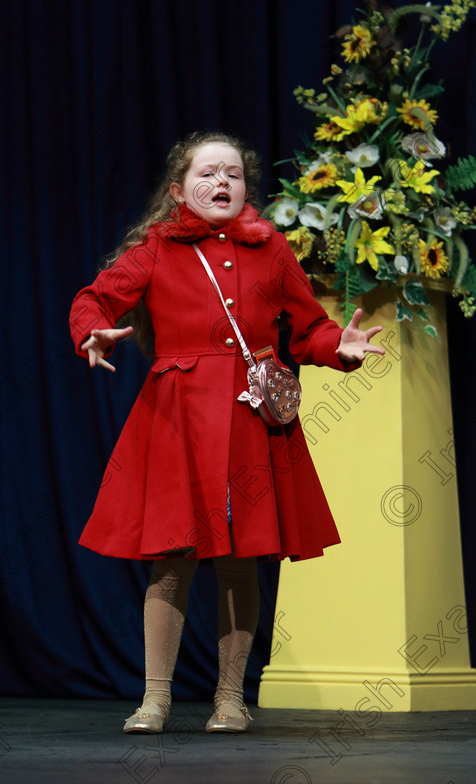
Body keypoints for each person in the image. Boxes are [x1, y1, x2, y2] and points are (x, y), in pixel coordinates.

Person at [69, 131, 384, 735]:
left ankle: (230, 699)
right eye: (209, 173)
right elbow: (95, 299)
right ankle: (155, 699)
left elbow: (310, 327)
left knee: (242, 560)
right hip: (177, 418)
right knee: (171, 558)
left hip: (248, 418)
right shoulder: (158, 248)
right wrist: (93, 330)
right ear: (179, 189)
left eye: (233, 175)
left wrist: (337, 345)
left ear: (246, 187)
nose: (222, 183)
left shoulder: (271, 249)